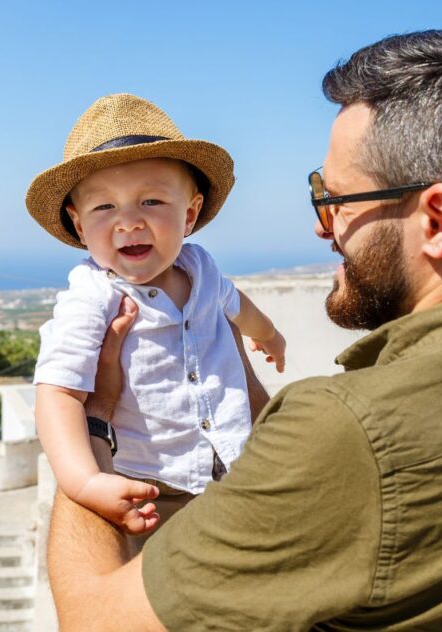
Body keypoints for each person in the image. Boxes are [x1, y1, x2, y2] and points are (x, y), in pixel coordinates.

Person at [46, 30, 442, 631]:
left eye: (335, 199)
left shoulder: (344, 432)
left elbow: (92, 622)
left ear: (438, 220)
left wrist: (99, 419)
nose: (321, 226)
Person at [26, 93, 286, 552]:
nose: (128, 222)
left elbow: (235, 303)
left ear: (189, 213)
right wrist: (85, 481)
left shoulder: (201, 267)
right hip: (149, 486)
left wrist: (266, 334)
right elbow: (58, 391)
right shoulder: (93, 295)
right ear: (79, 225)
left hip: (236, 469)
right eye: (104, 207)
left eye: (150, 201)